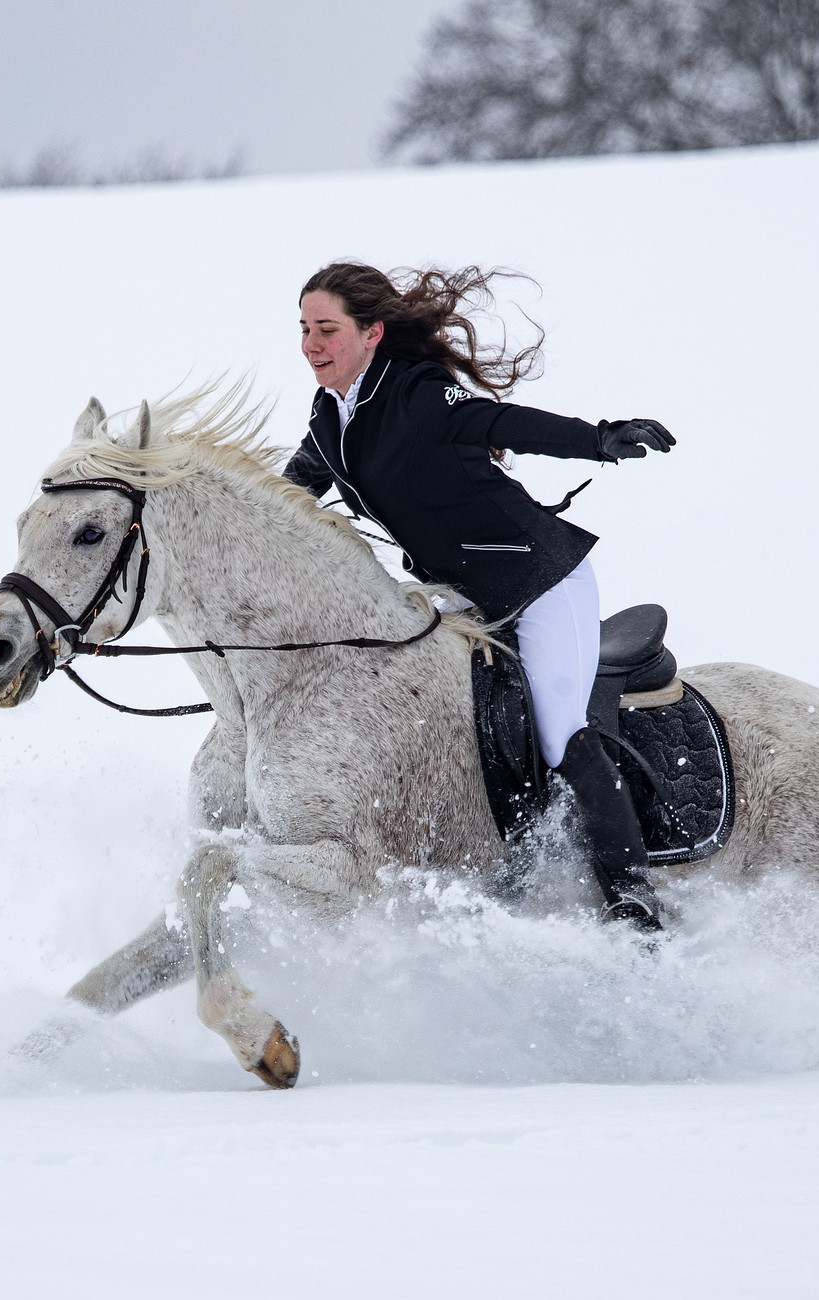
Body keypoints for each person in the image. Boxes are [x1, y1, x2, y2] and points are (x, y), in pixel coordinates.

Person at [283, 262, 678, 928]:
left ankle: (630, 891)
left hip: (539, 581)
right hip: (459, 597)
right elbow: (285, 499)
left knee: (558, 728)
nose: (312, 343)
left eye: (327, 329)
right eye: (303, 330)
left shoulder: (416, 392)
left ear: (372, 332)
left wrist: (595, 438)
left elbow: (504, 422)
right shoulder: (330, 420)